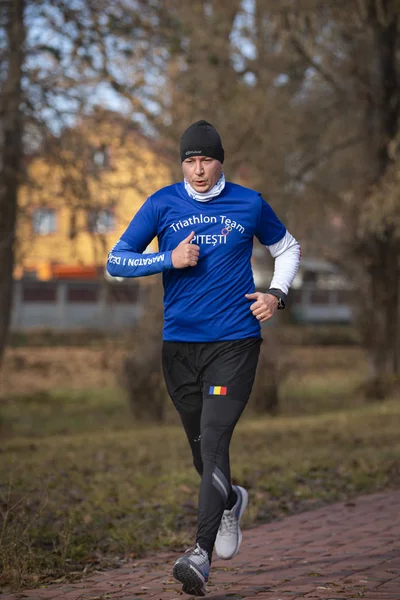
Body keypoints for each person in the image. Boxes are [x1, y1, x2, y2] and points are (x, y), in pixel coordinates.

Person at [107, 120, 301, 597]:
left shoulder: (249, 203)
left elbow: (288, 247)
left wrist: (276, 294)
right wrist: (166, 259)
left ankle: (199, 553)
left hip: (234, 343)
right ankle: (231, 500)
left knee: (214, 440)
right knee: (201, 451)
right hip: (179, 349)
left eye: (206, 160)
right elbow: (116, 260)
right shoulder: (161, 204)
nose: (198, 170)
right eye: (190, 161)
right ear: (182, 164)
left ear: (220, 161)